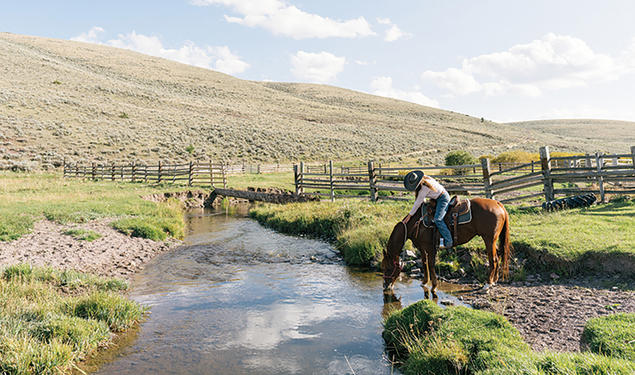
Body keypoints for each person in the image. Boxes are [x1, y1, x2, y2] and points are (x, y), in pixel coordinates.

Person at [402, 170, 453, 249]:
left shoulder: (424, 188)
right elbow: (421, 200)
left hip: (443, 198)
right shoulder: (425, 178)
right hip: (437, 197)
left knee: (438, 219)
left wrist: (409, 215)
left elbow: (418, 203)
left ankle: (448, 241)